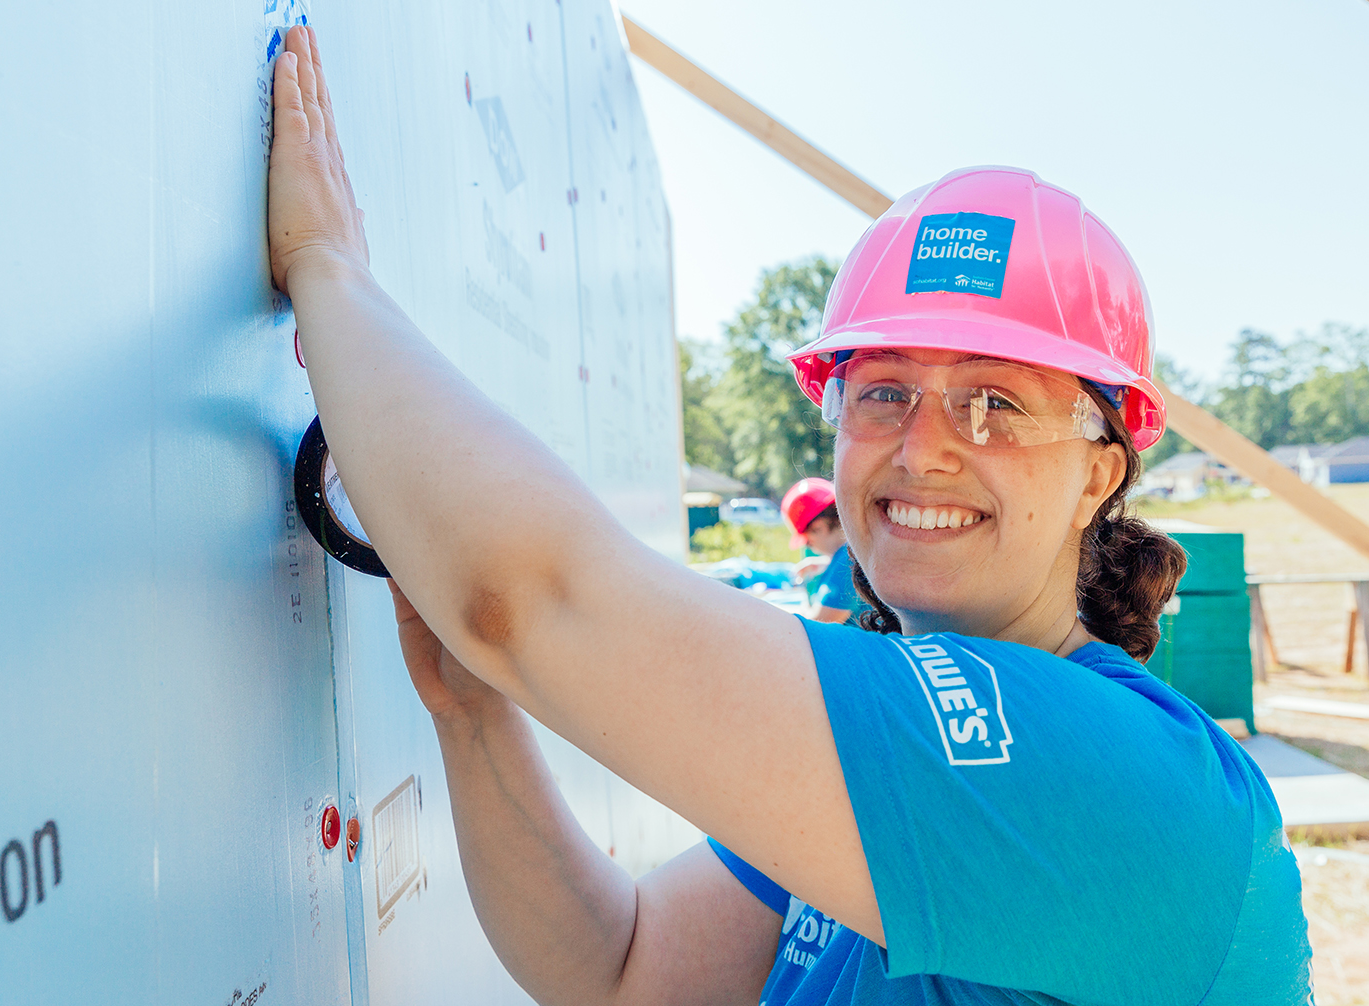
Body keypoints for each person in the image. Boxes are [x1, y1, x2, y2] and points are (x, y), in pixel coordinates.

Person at [266, 26, 1311, 1004]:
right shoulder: (890, 752)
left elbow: (529, 599)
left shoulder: (1095, 768)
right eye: (884, 390)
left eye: (995, 402)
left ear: (1098, 473)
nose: (924, 445)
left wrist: (326, 269)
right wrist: (476, 714)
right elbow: (622, 967)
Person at [782, 477, 865, 623]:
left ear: (819, 527)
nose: (810, 547)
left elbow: (816, 624)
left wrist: (803, 597)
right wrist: (826, 564)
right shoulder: (857, 550)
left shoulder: (846, 561)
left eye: (808, 542)